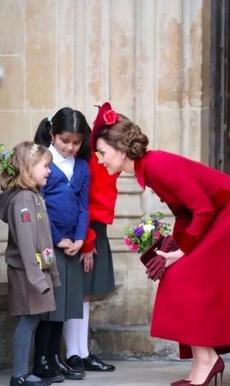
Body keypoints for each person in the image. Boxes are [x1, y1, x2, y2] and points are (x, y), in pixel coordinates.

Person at [93, 106, 230, 386]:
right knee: (178, 274)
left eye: (102, 153)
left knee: (182, 277)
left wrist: (182, 250)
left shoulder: (158, 165)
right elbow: (186, 213)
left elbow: (202, 209)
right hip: (219, 216)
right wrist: (175, 244)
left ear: (121, 149)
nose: (100, 160)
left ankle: (207, 360)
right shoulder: (150, 168)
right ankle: (203, 361)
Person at [33, 107, 91, 383]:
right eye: (65, 140)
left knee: (65, 304)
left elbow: (83, 206)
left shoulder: (81, 166)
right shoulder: (43, 163)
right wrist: (58, 238)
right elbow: (40, 205)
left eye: (76, 142)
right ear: (53, 134)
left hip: (72, 245)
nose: (70, 147)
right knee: (49, 306)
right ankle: (42, 359)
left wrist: (79, 238)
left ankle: (55, 358)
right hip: (50, 243)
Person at [65, 103, 119, 375]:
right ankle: (73, 353)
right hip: (86, 230)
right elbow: (81, 204)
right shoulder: (90, 164)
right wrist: (87, 242)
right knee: (76, 294)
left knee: (84, 295)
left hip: (98, 229)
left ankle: (82, 352)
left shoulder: (104, 161)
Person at [0, 142, 59, 386]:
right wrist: (38, 279)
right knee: (27, 320)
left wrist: (52, 273)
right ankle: (20, 375)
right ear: (28, 167)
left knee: (32, 320)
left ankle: (23, 373)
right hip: (27, 274)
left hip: (35, 273)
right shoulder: (23, 199)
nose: (49, 171)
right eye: (45, 166)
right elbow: (26, 245)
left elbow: (42, 239)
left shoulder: (32, 196)